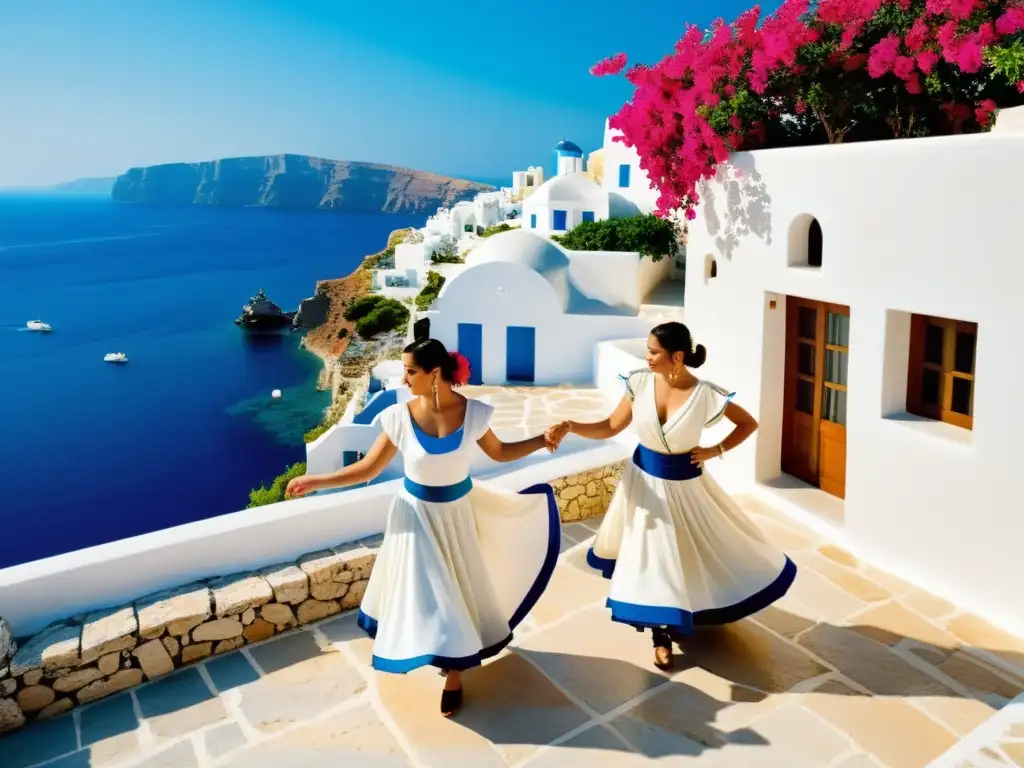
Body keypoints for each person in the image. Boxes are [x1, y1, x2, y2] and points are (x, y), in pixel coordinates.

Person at [285, 338, 561, 717]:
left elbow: (500, 452)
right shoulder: (399, 417)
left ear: (435, 373)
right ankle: (448, 663)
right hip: (413, 518)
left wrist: (540, 441)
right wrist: (316, 481)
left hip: (457, 516)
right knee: (432, 595)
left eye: (410, 371)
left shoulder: (476, 413)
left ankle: (453, 675)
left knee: (456, 591)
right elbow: (368, 469)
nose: (403, 378)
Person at [544, 321, 796, 670]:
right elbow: (610, 426)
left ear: (677, 357)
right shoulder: (638, 382)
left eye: (653, 352)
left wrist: (715, 449)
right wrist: (571, 425)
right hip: (643, 482)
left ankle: (694, 604)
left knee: (694, 551)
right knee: (653, 557)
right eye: (647, 350)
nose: (647, 357)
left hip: (685, 486)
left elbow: (748, 423)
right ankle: (660, 633)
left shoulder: (706, 394)